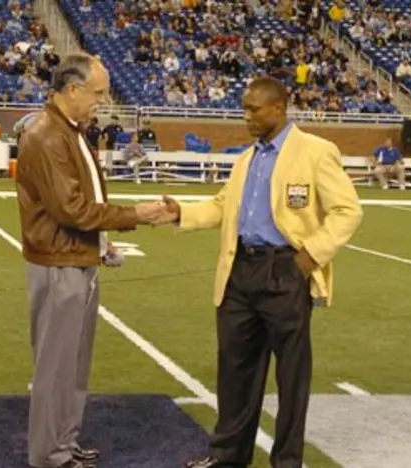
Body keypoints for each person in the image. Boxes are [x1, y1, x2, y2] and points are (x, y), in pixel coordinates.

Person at [154, 76, 363, 468]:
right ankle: (228, 456)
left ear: (278, 109)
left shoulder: (316, 151)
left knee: (291, 377)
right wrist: (181, 212)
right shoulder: (247, 158)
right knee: (235, 370)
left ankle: (286, 461)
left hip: (285, 271)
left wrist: (307, 258)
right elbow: (220, 207)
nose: (246, 116)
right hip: (239, 271)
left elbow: (348, 211)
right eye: (245, 108)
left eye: (253, 109)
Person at [15, 52, 165, 468]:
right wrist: (136, 215)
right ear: (73, 89)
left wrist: (100, 242)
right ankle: (49, 454)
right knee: (56, 367)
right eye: (97, 93)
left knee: (74, 364)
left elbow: (82, 205)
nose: (102, 100)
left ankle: (64, 441)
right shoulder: (47, 135)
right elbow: (71, 210)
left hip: (76, 255)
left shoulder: (69, 130)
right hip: (59, 262)